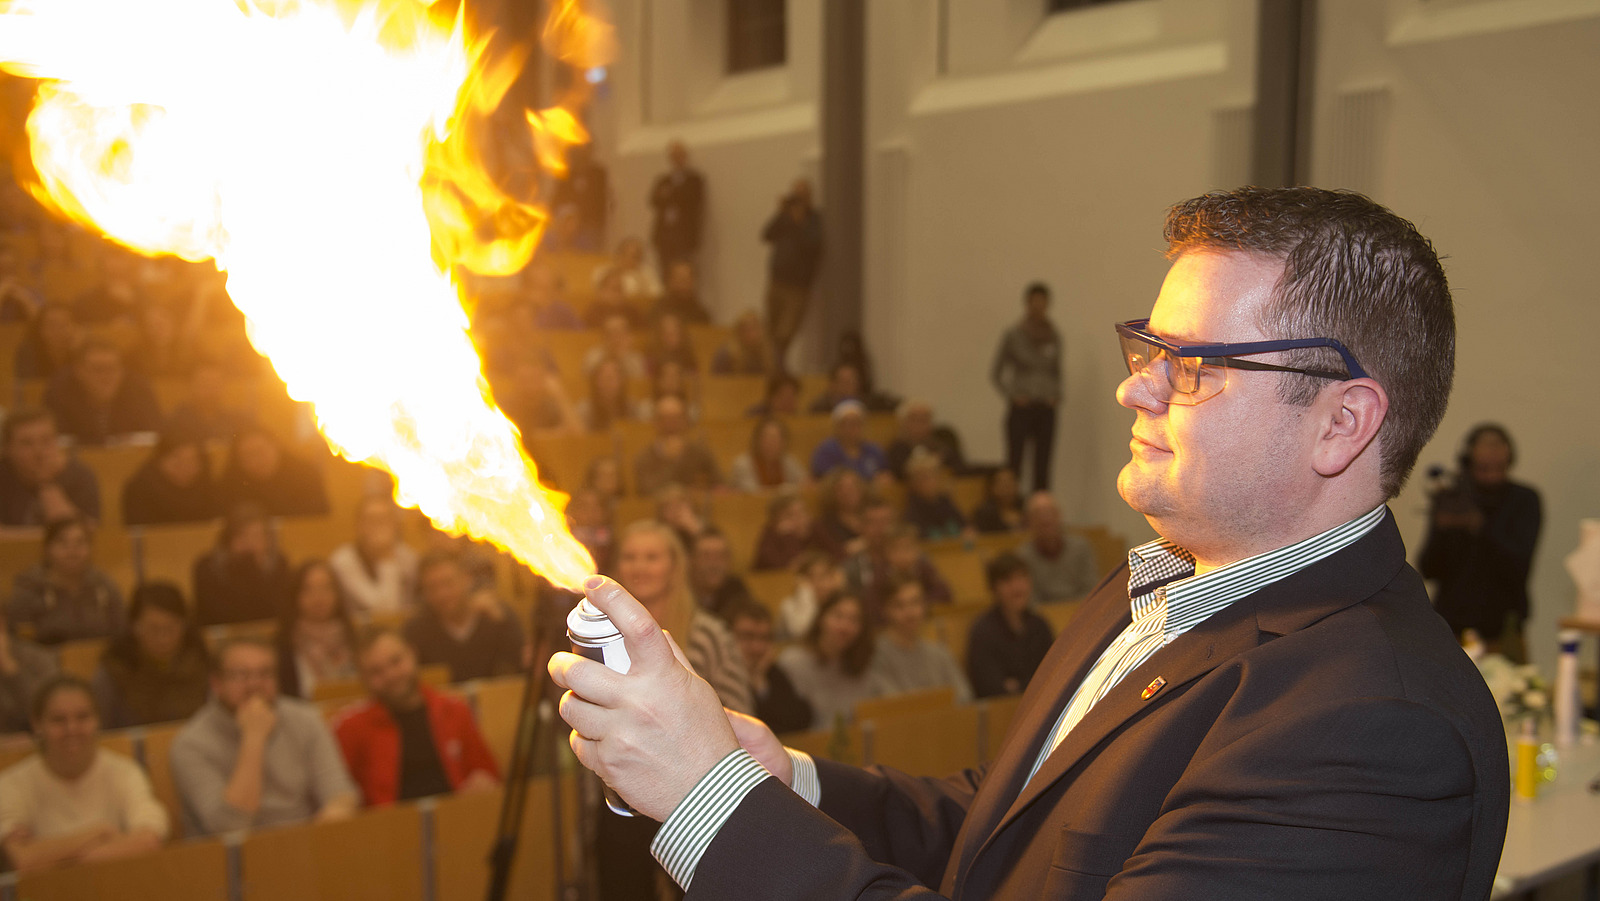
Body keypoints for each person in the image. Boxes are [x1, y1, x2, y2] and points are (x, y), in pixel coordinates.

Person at [549, 186, 1510, 901]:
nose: (1135, 389)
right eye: (1148, 350)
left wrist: (708, 800)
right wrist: (779, 777)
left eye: (1193, 369)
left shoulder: (1375, 726)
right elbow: (1004, 832)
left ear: (1342, 424)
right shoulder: (1157, 585)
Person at [169, 638, 358, 835]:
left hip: (303, 843)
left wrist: (333, 816)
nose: (255, 684)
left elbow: (339, 792)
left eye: (265, 674)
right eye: (241, 675)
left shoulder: (305, 720)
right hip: (230, 857)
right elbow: (229, 826)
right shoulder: (191, 744)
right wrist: (254, 738)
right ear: (216, 683)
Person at [0, 676, 167, 872]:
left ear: (97, 720)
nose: (72, 729)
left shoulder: (125, 772)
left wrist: (52, 857)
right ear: (37, 724)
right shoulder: (10, 784)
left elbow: (148, 842)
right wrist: (99, 832)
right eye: (58, 720)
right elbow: (21, 860)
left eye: (82, 717)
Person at [332, 627, 500, 806]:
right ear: (363, 679)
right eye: (376, 672)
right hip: (388, 829)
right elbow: (341, 795)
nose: (391, 675)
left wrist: (484, 783)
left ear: (412, 654)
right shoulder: (350, 728)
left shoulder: (454, 710)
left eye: (396, 661)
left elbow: (489, 773)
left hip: (457, 818)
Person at [1419, 423, 1542, 653]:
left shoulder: (1524, 500)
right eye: (1484, 468)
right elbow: (1429, 568)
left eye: (1498, 467)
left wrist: (1479, 527)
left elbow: (1519, 565)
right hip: (1451, 627)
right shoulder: (1453, 497)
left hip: (1502, 629)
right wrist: (1444, 528)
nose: (1491, 475)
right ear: (1469, 462)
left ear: (1509, 460)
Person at [91, 582, 211, 728]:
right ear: (135, 627)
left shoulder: (205, 664)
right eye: (153, 629)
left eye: (171, 628)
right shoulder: (114, 671)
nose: (163, 638)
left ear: (184, 625)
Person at [402, 550, 525, 682]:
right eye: (432, 587)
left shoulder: (497, 617)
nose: (442, 594)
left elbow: (518, 671)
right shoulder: (416, 632)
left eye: (448, 583)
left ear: (467, 579)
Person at [7, 516, 126, 645]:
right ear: (47, 549)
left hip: (100, 662)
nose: (72, 550)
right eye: (62, 542)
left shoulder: (104, 586)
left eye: (80, 542)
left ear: (91, 548)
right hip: (44, 663)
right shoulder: (29, 589)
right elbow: (19, 642)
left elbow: (122, 635)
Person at [774, 590, 883, 730]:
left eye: (854, 620)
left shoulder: (864, 667)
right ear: (821, 618)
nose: (844, 627)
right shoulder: (792, 662)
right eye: (838, 616)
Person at [992, 281, 1063, 492]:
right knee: (1015, 462)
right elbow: (996, 372)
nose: (1039, 306)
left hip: (1045, 407)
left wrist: (1056, 395)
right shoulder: (1014, 334)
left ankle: (1040, 508)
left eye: (1043, 302)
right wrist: (1013, 395)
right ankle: (1013, 507)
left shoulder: (1054, 334)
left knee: (1043, 463)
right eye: (1035, 301)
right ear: (1027, 303)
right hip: (1022, 406)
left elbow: (1057, 371)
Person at [965, 552, 1054, 699]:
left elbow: (1053, 677)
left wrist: (1017, 685)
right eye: (1008, 581)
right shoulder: (983, 631)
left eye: (1022, 577)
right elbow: (990, 688)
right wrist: (1030, 685)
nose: (1017, 587)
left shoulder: (1040, 625)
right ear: (994, 588)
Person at [191, 503, 294, 627]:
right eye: (242, 535)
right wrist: (245, 568)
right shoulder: (207, 567)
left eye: (256, 536)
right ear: (229, 538)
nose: (250, 543)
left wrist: (258, 569)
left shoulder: (279, 564)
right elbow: (217, 615)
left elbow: (279, 611)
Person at [43, 341, 164, 445]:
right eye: (98, 369)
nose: (107, 376)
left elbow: (155, 434)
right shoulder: (60, 391)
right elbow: (58, 440)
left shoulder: (139, 388)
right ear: (79, 371)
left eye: (113, 368)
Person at [871, 578, 972, 703]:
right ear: (885, 610)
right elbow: (895, 707)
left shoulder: (940, 653)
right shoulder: (874, 656)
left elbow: (964, 698)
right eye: (899, 605)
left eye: (915, 603)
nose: (910, 612)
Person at [761, 178, 824, 368]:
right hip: (776, 282)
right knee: (770, 332)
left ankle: (778, 369)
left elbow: (813, 246)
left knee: (784, 334)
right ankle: (772, 370)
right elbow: (766, 235)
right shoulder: (785, 216)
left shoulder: (814, 219)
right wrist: (781, 212)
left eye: (802, 194)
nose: (798, 198)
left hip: (797, 288)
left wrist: (799, 223)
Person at [0, 409, 101, 527]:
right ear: (7, 449)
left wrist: (46, 483)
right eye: (26, 443)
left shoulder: (80, 476)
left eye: (46, 441)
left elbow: (83, 536)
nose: (39, 452)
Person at [274, 561, 359, 700]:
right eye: (308, 589)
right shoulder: (285, 644)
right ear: (295, 595)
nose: (318, 597)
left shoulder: (354, 637)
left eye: (326, 588)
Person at [327, 496, 420, 619]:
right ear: (359, 525)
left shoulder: (407, 556)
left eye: (384, 520)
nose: (379, 526)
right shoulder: (343, 560)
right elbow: (384, 611)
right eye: (372, 520)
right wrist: (386, 557)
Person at [726, 603, 812, 735]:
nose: (757, 647)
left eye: (764, 638)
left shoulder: (773, 673)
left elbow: (799, 721)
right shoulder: (718, 676)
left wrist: (760, 685)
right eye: (748, 637)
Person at [217, 427, 330, 517]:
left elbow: (318, 517)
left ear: (276, 446)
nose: (257, 460)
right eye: (248, 455)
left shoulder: (305, 475)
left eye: (260, 451)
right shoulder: (231, 486)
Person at [121, 428, 221, 525]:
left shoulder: (206, 484)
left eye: (192, 460)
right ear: (159, 460)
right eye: (176, 458)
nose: (184, 467)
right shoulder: (140, 487)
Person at [1015, 492, 1098, 604]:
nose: (1045, 518)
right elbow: (1030, 598)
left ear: (1059, 516)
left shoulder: (1081, 547)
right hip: (1042, 615)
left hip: (1081, 610)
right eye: (1038, 514)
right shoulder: (1023, 555)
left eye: (1049, 512)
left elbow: (1091, 587)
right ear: (1029, 521)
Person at [632, 396, 722, 496]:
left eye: (676, 418)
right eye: (665, 419)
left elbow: (720, 485)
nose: (671, 424)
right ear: (656, 422)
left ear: (685, 421)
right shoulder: (645, 457)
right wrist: (672, 461)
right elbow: (646, 492)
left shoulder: (700, 453)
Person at [648, 141, 705, 277]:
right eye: (674, 156)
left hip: (683, 234)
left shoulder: (694, 179)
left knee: (682, 270)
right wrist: (672, 194)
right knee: (664, 271)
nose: (677, 159)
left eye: (680, 155)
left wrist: (669, 194)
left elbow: (690, 201)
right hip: (665, 234)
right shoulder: (664, 179)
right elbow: (653, 200)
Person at [0, 606, 58, 733]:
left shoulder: (37, 658)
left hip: (34, 743)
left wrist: (10, 668)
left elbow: (49, 710)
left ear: (3, 620)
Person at [887, 400, 969, 480]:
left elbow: (960, 468)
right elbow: (898, 474)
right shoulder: (897, 449)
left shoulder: (941, 445)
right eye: (915, 419)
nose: (920, 424)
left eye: (925, 419)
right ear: (903, 423)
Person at [808, 400, 889, 482]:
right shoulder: (826, 451)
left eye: (856, 423)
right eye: (846, 424)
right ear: (837, 427)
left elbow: (884, 474)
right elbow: (821, 479)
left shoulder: (873, 450)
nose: (851, 429)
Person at [902, 449, 970, 542]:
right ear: (913, 482)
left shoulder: (945, 501)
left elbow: (966, 527)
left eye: (934, 475)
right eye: (924, 477)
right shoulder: (912, 511)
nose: (931, 481)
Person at [750, 492, 830, 572]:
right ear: (777, 521)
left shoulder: (814, 528)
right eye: (790, 515)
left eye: (802, 511)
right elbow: (790, 568)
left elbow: (837, 555)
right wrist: (788, 536)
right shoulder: (770, 538)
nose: (800, 518)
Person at [688, 528, 756, 621]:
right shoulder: (680, 592)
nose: (714, 564)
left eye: (721, 556)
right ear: (692, 560)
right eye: (706, 556)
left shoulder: (738, 593)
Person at [776, 552, 845, 642]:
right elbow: (800, 633)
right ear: (802, 580)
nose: (824, 584)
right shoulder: (788, 605)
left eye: (826, 576)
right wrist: (806, 594)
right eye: (814, 577)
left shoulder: (835, 605)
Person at [728, 417, 808, 493]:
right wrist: (785, 490)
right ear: (757, 440)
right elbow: (751, 494)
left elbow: (804, 484)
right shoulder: (743, 464)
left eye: (776, 439)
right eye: (767, 438)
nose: (771, 443)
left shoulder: (788, 461)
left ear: (784, 442)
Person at [577, 356, 651, 433]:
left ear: (621, 381)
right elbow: (582, 437)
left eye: (612, 378)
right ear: (595, 382)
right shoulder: (586, 410)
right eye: (604, 378)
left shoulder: (632, 408)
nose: (608, 383)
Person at [710, 310, 772, 376]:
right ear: (738, 332)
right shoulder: (726, 355)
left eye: (755, 329)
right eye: (747, 330)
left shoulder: (768, 354)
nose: (752, 334)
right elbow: (716, 382)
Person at [970, 466, 1025, 534]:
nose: (1007, 487)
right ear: (992, 487)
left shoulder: (1026, 508)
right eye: (1002, 483)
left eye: (1010, 481)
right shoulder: (983, 514)